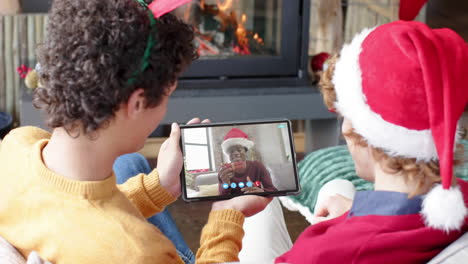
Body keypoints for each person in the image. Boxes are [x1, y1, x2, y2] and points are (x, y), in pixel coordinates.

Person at [0, 0, 271, 263]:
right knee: (268, 217)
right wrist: (226, 214)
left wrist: (161, 186)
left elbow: (70, 213)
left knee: (132, 164)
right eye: (168, 95)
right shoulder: (140, 252)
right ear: (138, 103)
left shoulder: (17, 143)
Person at [213, 20, 468, 263]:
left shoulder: (325, 252)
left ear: (353, 130)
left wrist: (224, 217)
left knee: (255, 210)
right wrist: (353, 213)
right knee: (337, 188)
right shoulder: (460, 202)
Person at [217, 128, 278, 195]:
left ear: (245, 151)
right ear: (228, 155)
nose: (236, 153)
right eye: (231, 151)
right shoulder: (224, 172)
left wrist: (261, 191)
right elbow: (222, 197)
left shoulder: (257, 166)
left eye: (239, 150)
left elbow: (272, 190)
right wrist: (226, 184)